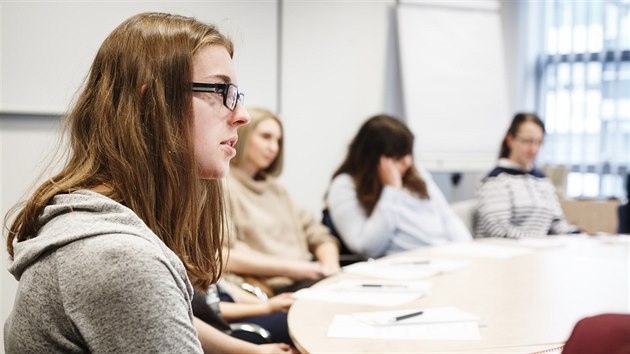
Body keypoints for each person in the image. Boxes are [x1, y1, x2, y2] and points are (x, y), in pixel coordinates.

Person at [3, 12, 291, 354]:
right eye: (219, 90)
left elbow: (167, 317)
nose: (241, 114)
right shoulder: (120, 259)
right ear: (151, 105)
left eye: (237, 93)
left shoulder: (96, 223)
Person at [225, 107, 340, 294]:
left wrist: (330, 266)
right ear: (243, 136)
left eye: (278, 141)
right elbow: (222, 256)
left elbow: (316, 233)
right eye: (265, 137)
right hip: (271, 290)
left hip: (306, 278)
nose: (274, 148)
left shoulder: (276, 189)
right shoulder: (224, 186)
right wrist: (294, 269)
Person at [325, 114, 472, 259]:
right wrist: (391, 190)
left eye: (408, 154)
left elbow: (447, 217)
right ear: (374, 158)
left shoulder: (414, 173)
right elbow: (366, 247)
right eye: (399, 156)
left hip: (444, 257)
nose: (407, 162)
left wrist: (468, 251)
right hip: (402, 266)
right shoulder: (344, 185)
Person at [475, 113, 580, 238]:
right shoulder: (496, 180)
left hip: (538, 250)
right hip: (507, 251)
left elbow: (556, 223)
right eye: (527, 141)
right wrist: (541, 241)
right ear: (510, 139)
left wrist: (576, 235)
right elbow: (499, 230)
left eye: (539, 142)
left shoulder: (542, 180)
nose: (533, 149)